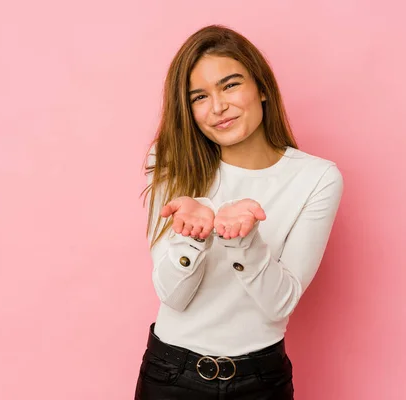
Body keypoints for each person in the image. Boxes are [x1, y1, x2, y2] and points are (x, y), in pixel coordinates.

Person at [134, 24, 343, 400]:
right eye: (199, 96)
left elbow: (279, 304)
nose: (218, 107)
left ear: (261, 87)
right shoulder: (171, 162)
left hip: (260, 381)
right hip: (170, 378)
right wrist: (193, 235)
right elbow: (172, 296)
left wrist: (244, 240)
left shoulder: (317, 177)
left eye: (230, 85)